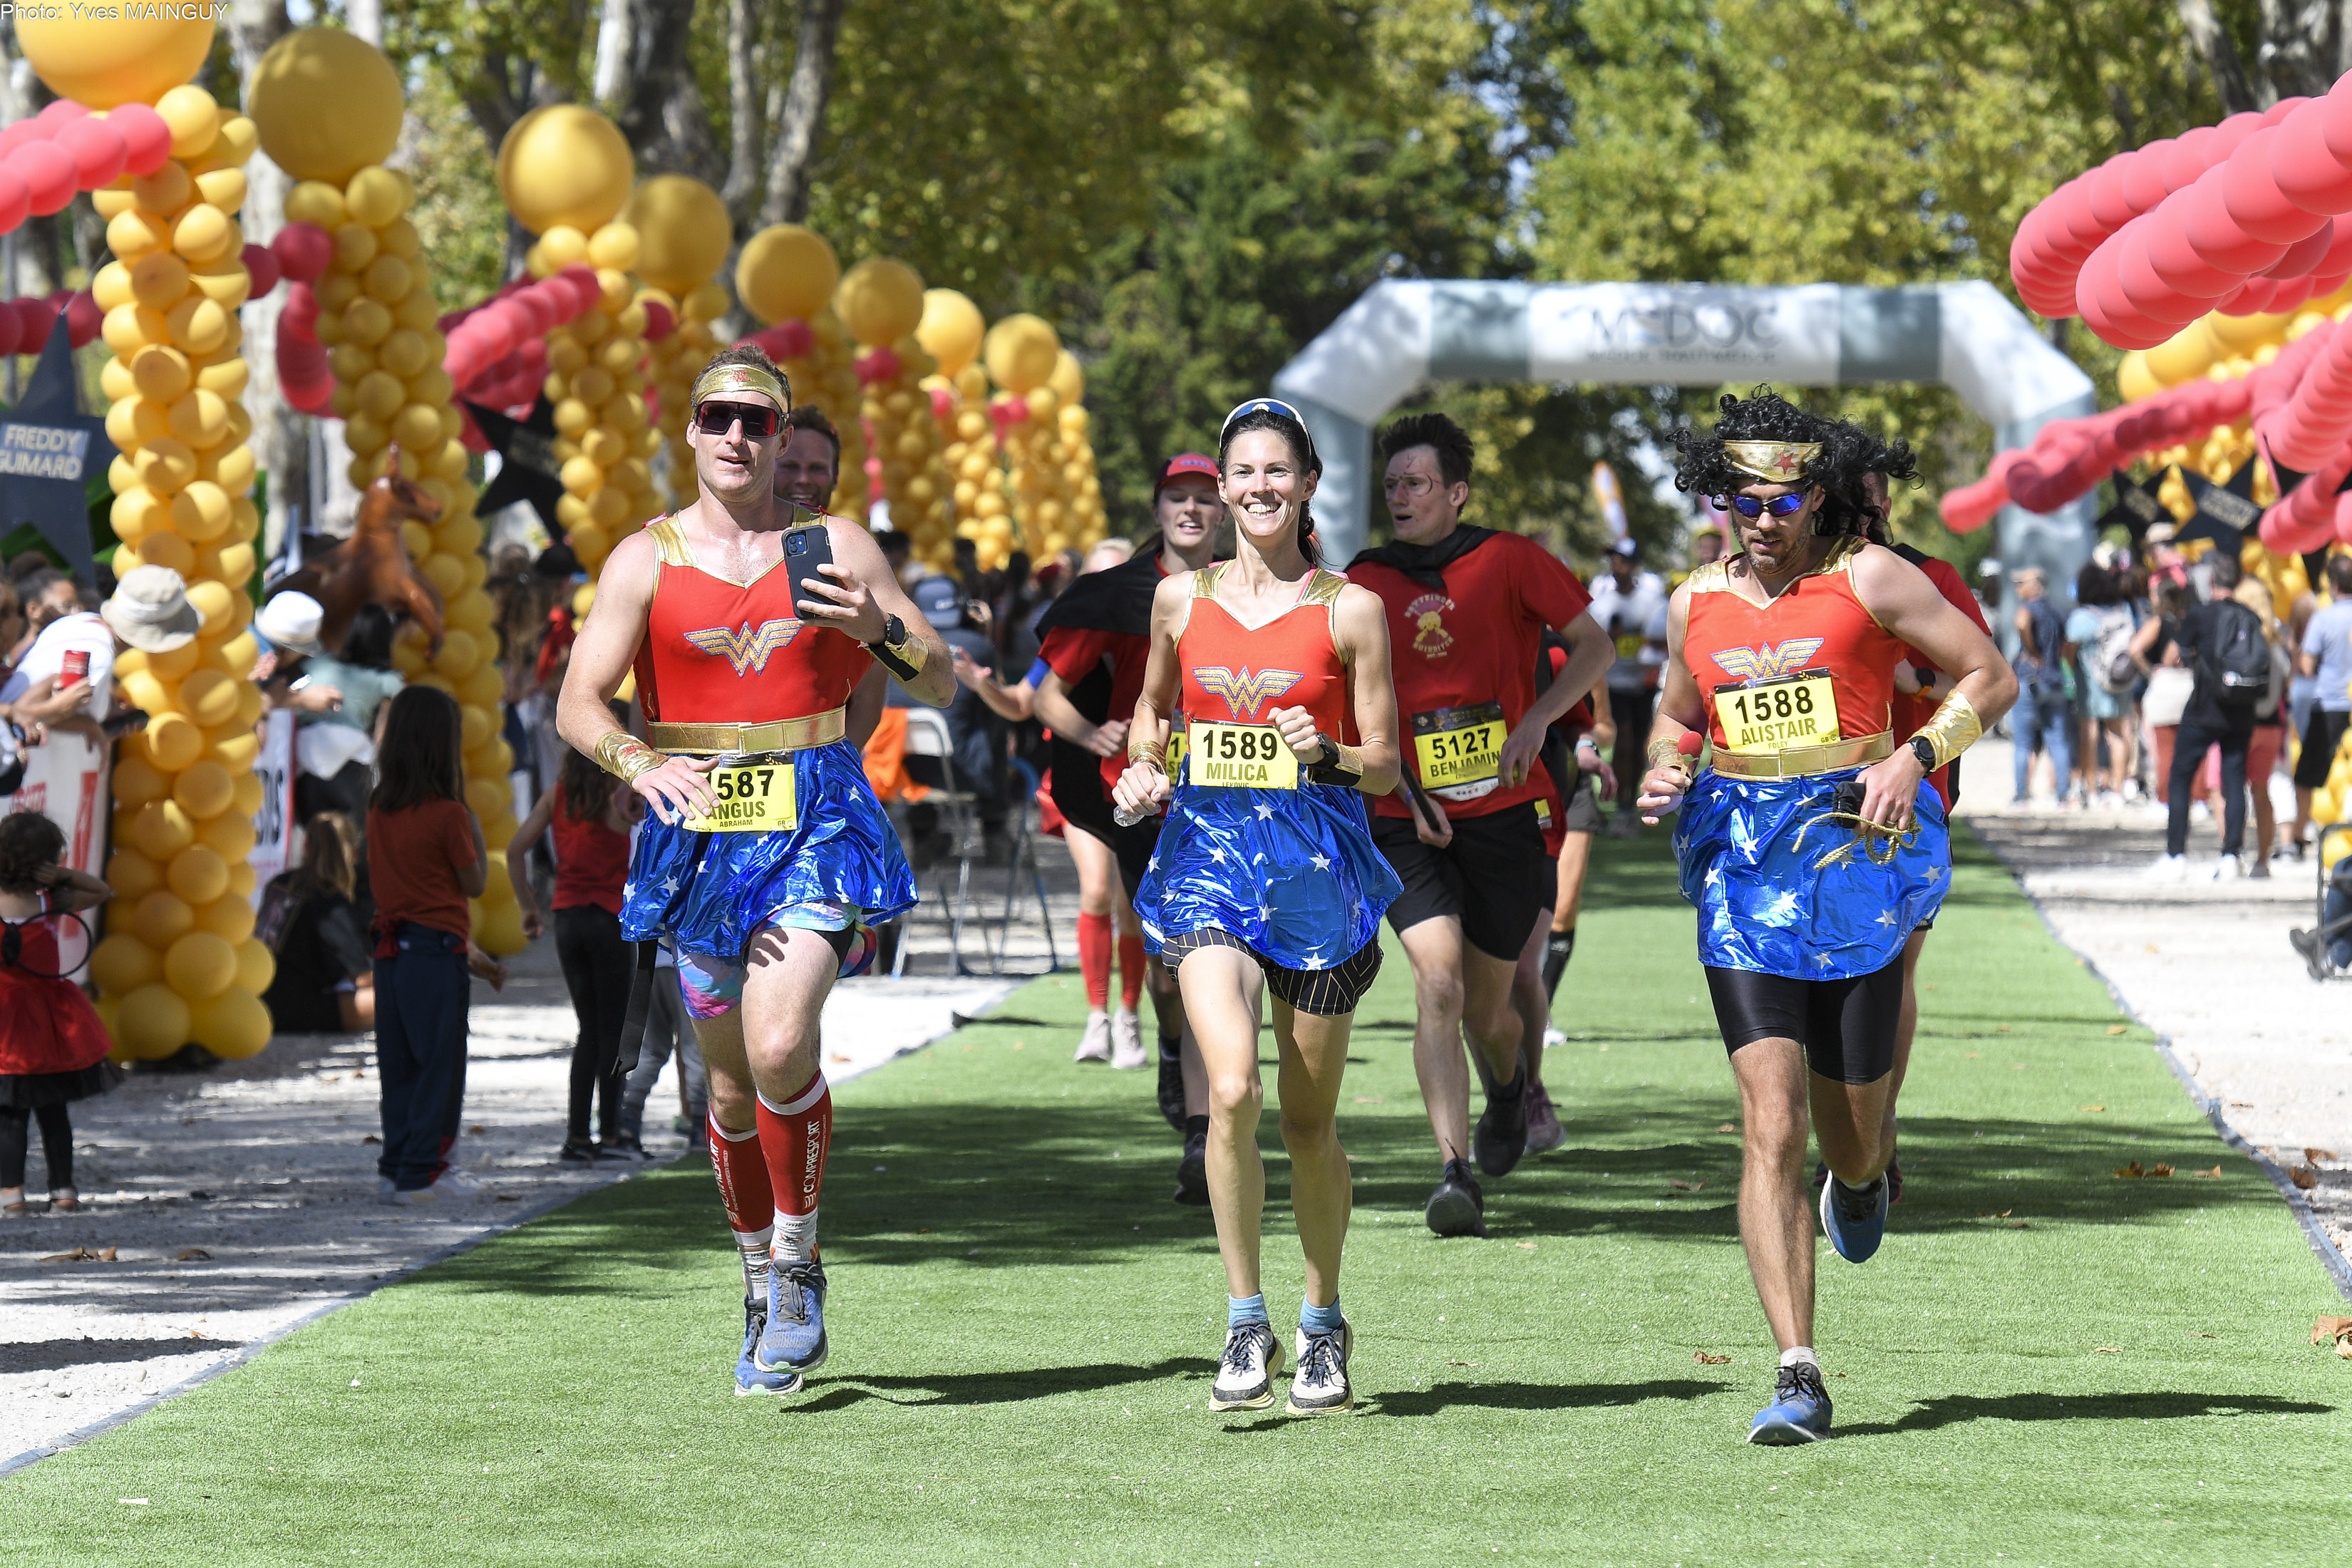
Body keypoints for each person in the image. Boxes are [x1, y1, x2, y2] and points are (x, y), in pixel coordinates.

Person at [556, 344, 951, 1396]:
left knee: (782, 1044)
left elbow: (943, 677)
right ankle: (752, 1278)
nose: (737, 436)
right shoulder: (644, 559)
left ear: (784, 442)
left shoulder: (834, 547)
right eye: (717, 417)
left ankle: (798, 1259)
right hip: (696, 840)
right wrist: (641, 764)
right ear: (689, 431)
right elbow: (578, 702)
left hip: (816, 819)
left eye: (757, 421)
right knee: (729, 1096)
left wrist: (878, 632)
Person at [1637, 391, 2014, 1443]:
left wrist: (1914, 755)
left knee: (1849, 1139)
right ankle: (1798, 1369)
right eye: (1745, 499)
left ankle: (1865, 1179)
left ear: (1820, 491)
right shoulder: (1690, 603)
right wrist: (1667, 770)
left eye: (1787, 497)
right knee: (1770, 1121)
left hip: (1856, 863)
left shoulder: (1871, 577)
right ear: (1719, 496)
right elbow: (1677, 714)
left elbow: (1991, 674)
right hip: (1742, 877)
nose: (1765, 518)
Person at [1113, 398, 1402, 1417]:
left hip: (1315, 869)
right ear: (1224, 487)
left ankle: (1322, 1320)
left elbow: (1385, 765)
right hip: (1205, 861)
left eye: (1279, 471)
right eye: (1245, 472)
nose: (1260, 488)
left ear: (1309, 483)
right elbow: (1154, 711)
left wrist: (1327, 754)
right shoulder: (1178, 600)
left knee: (1308, 1122)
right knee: (1229, 1091)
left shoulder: (1351, 608)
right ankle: (1246, 1317)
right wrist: (1143, 769)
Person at [1346, 411, 1611, 1237]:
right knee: (1438, 982)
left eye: (1417, 483)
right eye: (1392, 484)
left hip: (1503, 811)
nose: (1401, 496)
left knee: (1489, 1013)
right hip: (1403, 814)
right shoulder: (1365, 580)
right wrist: (1393, 782)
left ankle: (1507, 1088)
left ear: (1456, 493)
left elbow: (1595, 648)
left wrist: (1539, 720)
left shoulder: (1510, 559)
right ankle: (1454, 1169)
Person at [1033, 455, 1228, 1191]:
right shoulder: (1120, 597)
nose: (1190, 510)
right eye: (1176, 498)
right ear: (1157, 508)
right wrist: (1092, 738)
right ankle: (1174, 1051)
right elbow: (1047, 694)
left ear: (1224, 510)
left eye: (1204, 499)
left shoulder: (1250, 588)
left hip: (1231, 803)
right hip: (1141, 803)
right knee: (1173, 974)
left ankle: (1205, 1136)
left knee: (1216, 959)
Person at [959, 539, 1151, 1070]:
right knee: (1095, 892)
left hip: (1142, 785)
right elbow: (1024, 703)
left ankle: (1130, 1017)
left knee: (1131, 908)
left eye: (1117, 576)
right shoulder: (1070, 639)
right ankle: (1096, 1018)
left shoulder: (1161, 629)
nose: (1105, 589)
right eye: (1095, 578)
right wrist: (983, 687)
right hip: (1078, 785)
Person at [367, 684, 490, 1206]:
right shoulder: (448, 814)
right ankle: (424, 1171)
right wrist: (476, 831)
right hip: (437, 949)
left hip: (391, 947)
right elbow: (476, 881)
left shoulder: (378, 807)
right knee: (440, 1062)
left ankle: (397, 1165)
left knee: (398, 1063)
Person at [510, 714, 647, 1162]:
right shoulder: (617, 798)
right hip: (608, 919)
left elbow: (515, 850)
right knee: (614, 1031)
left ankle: (576, 1136)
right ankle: (610, 1135)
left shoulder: (557, 797)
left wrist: (529, 906)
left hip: (567, 919)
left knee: (588, 1029)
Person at [0, 812, 115, 1217]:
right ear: (45, 862)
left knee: (10, 1116)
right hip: (49, 1021)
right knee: (53, 1111)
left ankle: (11, 1195)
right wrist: (60, 875)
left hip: (6, 1026)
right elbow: (100, 891)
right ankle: (63, 1190)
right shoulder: (50, 901)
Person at [2156, 551, 2265, 880]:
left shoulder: (2200, 615)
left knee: (2181, 776)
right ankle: (2231, 856)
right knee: (2234, 780)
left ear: (2212, 581)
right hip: (2242, 709)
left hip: (2204, 709)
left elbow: (2172, 655)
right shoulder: (2251, 616)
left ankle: (2176, 855)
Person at [257, 592, 409, 822]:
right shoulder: (389, 681)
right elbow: (384, 737)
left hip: (299, 758)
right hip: (351, 766)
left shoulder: (317, 663)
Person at [258, 812, 376, 1032]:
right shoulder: (329, 901)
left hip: (259, 1000)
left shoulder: (279, 884)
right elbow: (360, 978)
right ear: (353, 853)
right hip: (296, 1008)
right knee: (397, 995)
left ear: (306, 846)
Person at [1587, 535, 1670, 835]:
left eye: (1622, 560)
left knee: (1637, 747)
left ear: (1634, 565)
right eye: (1614, 559)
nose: (1616, 565)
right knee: (1622, 742)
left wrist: (1647, 647)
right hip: (1612, 684)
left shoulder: (1653, 601)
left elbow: (1665, 642)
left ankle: (1628, 806)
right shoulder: (1600, 603)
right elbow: (1589, 644)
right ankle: (1620, 807)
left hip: (1642, 684)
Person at [2231, 575, 2292, 876]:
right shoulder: (2277, 647)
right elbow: (2282, 689)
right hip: (2270, 727)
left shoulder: (2238, 642)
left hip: (2239, 723)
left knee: (2227, 788)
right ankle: (2262, 860)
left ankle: (2231, 854)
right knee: (2261, 791)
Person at [2067, 564, 2138, 808]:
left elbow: (2070, 649)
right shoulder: (2124, 609)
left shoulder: (2082, 616)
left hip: (2090, 682)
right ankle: (2117, 790)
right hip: (2120, 680)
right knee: (2118, 734)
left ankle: (2091, 789)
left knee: (2090, 735)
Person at [2294, 556, 2352, 852]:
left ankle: (2298, 836)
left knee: (2307, 774)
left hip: (2329, 703)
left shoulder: (2324, 617)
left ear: (2333, 583)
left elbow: (2306, 664)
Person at [2009, 567, 2074, 807]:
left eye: (2021, 582)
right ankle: (2063, 796)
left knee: (2023, 742)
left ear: (2035, 584)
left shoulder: (2028, 609)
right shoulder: (2056, 611)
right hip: (2054, 680)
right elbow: (2068, 644)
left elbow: (2022, 622)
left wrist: (2032, 652)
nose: (2017, 587)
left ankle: (2020, 796)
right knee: (2058, 740)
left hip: (2030, 679)